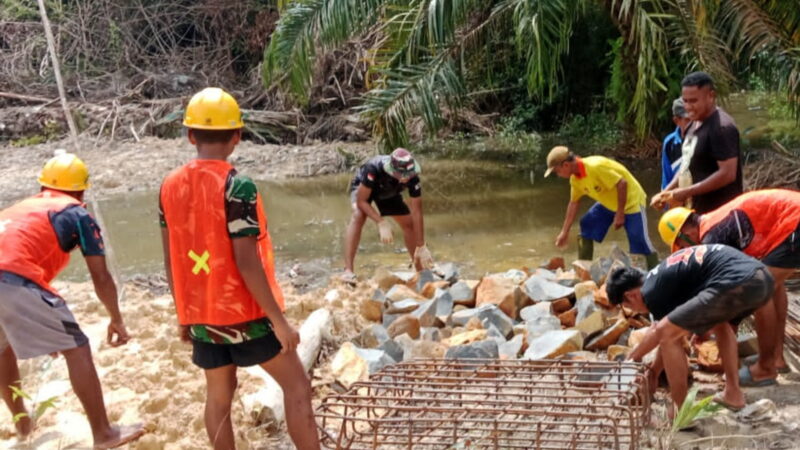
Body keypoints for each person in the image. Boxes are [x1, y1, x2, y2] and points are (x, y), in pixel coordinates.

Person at [159, 88, 320, 450]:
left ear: (190, 135)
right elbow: (246, 261)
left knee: (218, 397)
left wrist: (183, 314)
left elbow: (171, 260)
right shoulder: (237, 186)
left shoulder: (168, 186)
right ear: (237, 137)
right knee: (297, 387)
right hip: (246, 316)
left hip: (200, 314)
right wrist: (279, 321)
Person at [0, 151, 143, 447]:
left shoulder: (23, 208)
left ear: (43, 187)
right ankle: (104, 433)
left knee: (2, 350)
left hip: (11, 279)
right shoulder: (77, 213)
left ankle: (22, 423)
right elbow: (101, 278)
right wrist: (116, 319)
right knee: (76, 347)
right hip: (14, 278)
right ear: (81, 191)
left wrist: (45, 328)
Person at [606, 245, 774, 411]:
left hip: (736, 281)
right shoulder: (661, 276)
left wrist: (632, 359)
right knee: (721, 325)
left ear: (630, 296)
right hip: (762, 278)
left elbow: (660, 333)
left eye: (626, 306)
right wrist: (654, 372)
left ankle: (681, 412)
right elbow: (668, 336)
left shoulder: (651, 292)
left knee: (668, 333)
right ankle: (733, 393)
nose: (633, 311)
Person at [658, 189, 800, 382]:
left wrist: (709, 325)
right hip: (792, 217)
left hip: (794, 220)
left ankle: (766, 369)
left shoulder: (712, 237)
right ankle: (776, 358)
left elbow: (725, 294)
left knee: (759, 289)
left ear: (686, 233)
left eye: (683, 247)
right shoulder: (715, 223)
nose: (687, 252)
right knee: (772, 285)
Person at [545, 146, 659, 269]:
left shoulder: (595, 167)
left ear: (566, 165)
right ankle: (584, 268)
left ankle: (656, 272)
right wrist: (564, 232)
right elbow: (573, 203)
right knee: (587, 224)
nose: (558, 175)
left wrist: (620, 213)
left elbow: (622, 184)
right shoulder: (575, 180)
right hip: (609, 203)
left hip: (631, 202)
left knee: (639, 240)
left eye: (557, 171)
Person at [652, 71, 743, 214]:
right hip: (696, 212)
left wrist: (685, 192)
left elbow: (728, 174)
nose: (688, 107)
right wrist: (667, 191)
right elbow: (686, 165)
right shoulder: (693, 124)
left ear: (711, 96)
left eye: (693, 101)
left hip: (721, 215)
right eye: (685, 101)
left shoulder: (722, 128)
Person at [342, 148, 433, 282]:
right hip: (365, 188)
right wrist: (381, 222)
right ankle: (348, 271)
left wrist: (421, 246)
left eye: (409, 174)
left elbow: (417, 211)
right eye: (403, 175)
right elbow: (361, 201)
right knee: (358, 215)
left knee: (409, 224)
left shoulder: (412, 178)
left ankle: (420, 270)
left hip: (388, 192)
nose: (407, 178)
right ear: (393, 171)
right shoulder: (373, 168)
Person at [660, 98, 691, 190]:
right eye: (688, 120)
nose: (693, 123)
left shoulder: (701, 137)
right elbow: (667, 177)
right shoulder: (670, 143)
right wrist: (664, 195)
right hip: (679, 196)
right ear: (677, 120)